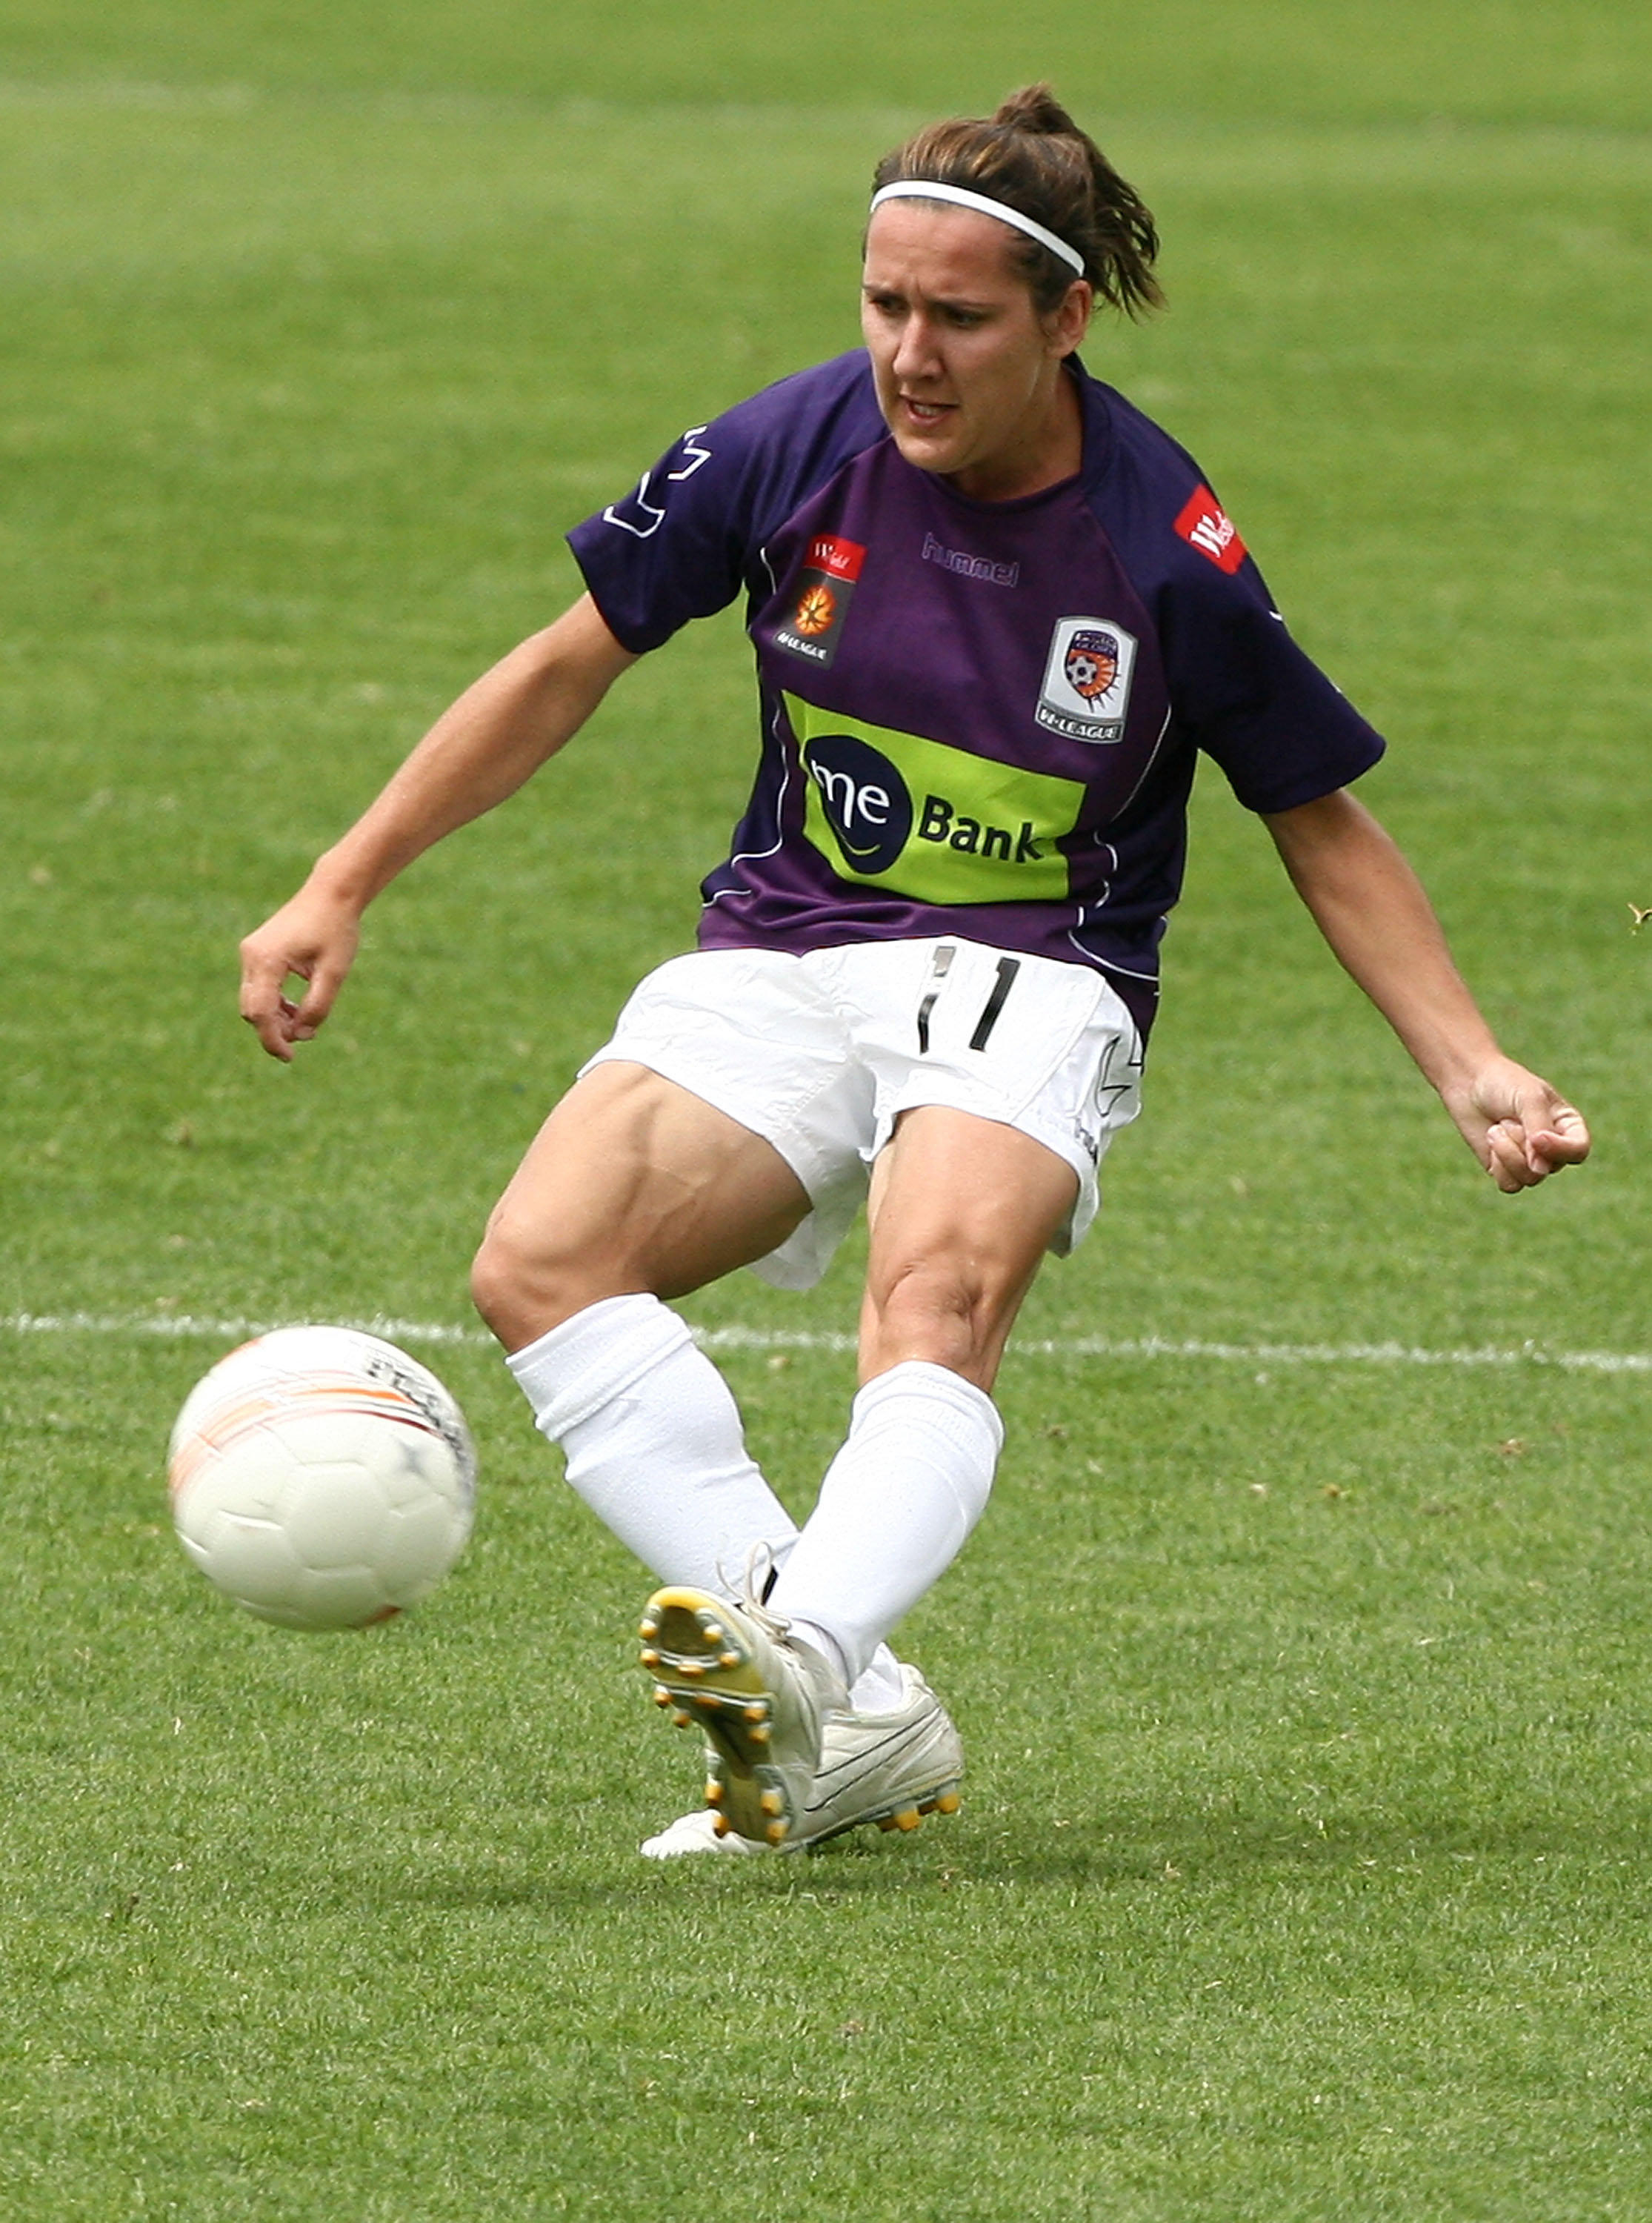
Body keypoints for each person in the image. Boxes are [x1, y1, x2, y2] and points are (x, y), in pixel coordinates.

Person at [239, 86, 1590, 1858]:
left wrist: (1466, 1063)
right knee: (541, 1265)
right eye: (883, 306)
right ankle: (851, 1705)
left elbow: (1315, 817)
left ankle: (800, 1651)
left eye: (956, 318)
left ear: (1061, 321)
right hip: (793, 944)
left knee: (932, 1295)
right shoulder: (788, 449)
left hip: (1038, 971)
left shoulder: (1155, 541)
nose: (908, 355)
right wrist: (344, 878)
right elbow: (567, 661)